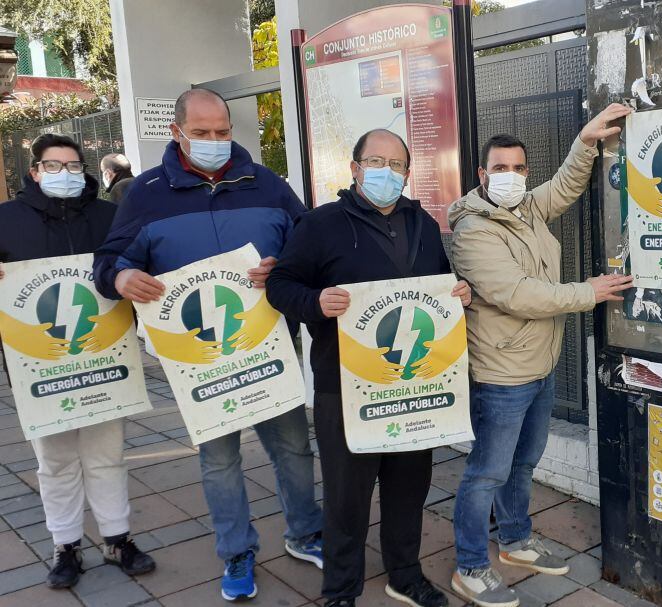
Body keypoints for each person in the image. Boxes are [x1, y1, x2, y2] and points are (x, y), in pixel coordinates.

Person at [93, 88, 323, 602]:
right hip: (199, 361)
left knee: (293, 447)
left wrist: (284, 266)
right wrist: (123, 277)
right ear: (176, 132)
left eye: (223, 132)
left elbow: (310, 244)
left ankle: (306, 533)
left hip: (269, 349)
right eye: (202, 134)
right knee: (219, 460)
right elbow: (109, 261)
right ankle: (236, 552)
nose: (215, 142)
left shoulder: (267, 184)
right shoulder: (146, 193)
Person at [266, 128, 470, 607]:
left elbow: (441, 283)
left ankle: (405, 573)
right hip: (346, 386)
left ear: (406, 172)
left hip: (413, 383)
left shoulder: (422, 224)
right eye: (375, 161)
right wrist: (315, 301)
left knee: (408, 486)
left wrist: (458, 291)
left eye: (396, 164)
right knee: (347, 496)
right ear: (355, 168)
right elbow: (280, 285)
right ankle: (340, 589)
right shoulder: (321, 225)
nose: (387, 172)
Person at [447, 104, 635, 607]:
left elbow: (566, 185)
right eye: (500, 168)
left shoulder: (527, 208)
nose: (511, 177)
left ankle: (514, 540)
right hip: (501, 373)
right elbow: (518, 294)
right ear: (482, 175)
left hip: (540, 365)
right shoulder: (473, 230)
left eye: (519, 168)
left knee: (524, 462)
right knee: (486, 472)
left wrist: (587, 140)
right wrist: (588, 292)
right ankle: (470, 566)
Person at [0, 134, 155, 589]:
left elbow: (138, 261)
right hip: (41, 365)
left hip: (104, 358)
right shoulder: (6, 221)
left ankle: (117, 538)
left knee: (107, 455)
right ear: (35, 171)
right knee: (56, 460)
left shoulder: (110, 217)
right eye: (53, 165)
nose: (64, 174)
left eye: (72, 166)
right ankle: (65, 546)